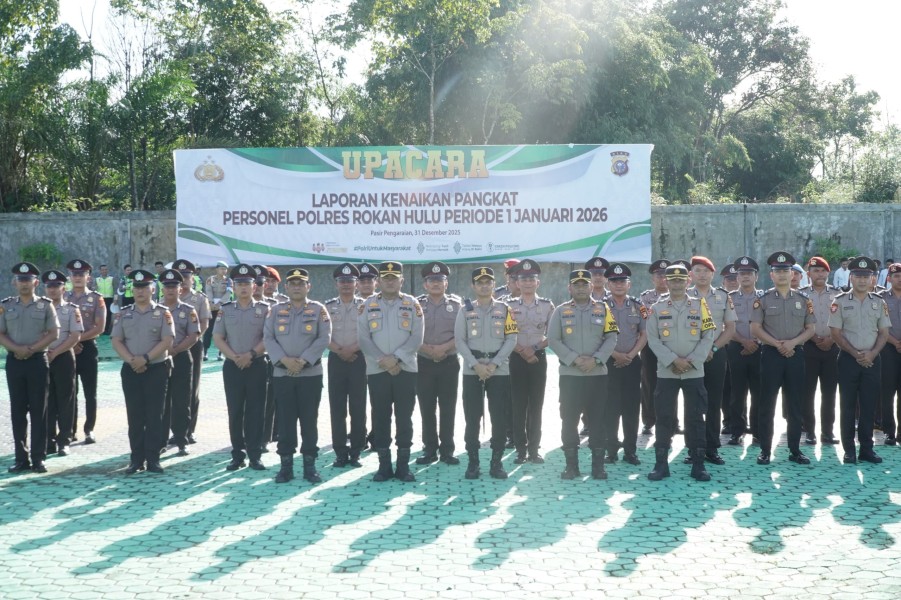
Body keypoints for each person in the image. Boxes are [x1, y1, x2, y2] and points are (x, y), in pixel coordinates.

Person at [645, 263, 716, 481]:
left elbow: (708, 334)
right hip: (667, 372)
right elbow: (653, 339)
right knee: (664, 417)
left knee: (695, 418)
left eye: (681, 279)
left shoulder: (700, 305)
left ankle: (698, 464)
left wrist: (692, 360)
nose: (676, 283)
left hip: (694, 372)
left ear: (688, 281)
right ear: (666, 281)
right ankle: (661, 464)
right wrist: (673, 360)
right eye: (672, 279)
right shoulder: (656, 308)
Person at [548, 269, 618, 479]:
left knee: (598, 419)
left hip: (597, 375)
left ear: (591, 287)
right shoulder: (560, 311)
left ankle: (598, 466)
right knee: (569, 420)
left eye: (584, 284)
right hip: (571, 376)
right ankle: (572, 466)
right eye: (576, 285)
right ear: (569, 288)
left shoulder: (603, 309)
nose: (580, 288)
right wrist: (575, 359)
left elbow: (611, 337)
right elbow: (553, 340)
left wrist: (595, 359)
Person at [357, 261, 424, 482]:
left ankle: (403, 466)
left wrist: (395, 359)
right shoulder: (367, 305)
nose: (389, 281)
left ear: (401, 280)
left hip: (406, 369)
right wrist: (382, 360)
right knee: (381, 417)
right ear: (379, 281)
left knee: (405, 418)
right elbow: (364, 338)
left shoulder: (412, 304)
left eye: (394, 277)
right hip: (377, 370)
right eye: (385, 277)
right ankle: (384, 466)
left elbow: (417, 337)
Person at [265, 268, 331, 483]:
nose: (296, 287)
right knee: (285, 421)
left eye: (300, 283)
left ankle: (309, 467)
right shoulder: (275, 310)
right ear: (286, 287)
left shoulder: (318, 309)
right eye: (292, 283)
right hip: (283, 374)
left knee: (309, 421)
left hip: (309, 374)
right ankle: (286, 467)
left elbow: (324, 338)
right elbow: (268, 337)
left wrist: (302, 361)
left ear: (308, 287)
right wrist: (285, 361)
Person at [750, 251, 816, 466]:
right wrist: (778, 344)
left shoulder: (804, 299)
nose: (782, 275)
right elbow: (755, 328)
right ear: (771, 275)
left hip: (795, 355)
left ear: (792, 274)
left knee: (795, 404)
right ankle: (766, 450)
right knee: (767, 403)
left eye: (786, 271)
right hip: (771, 355)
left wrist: (793, 343)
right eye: (778, 271)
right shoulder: (763, 300)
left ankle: (795, 450)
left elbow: (811, 328)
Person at [110, 269, 174, 474]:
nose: (140, 291)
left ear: (153, 289)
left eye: (144, 287)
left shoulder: (163, 312)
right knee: (135, 415)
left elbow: (167, 340)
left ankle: (153, 459)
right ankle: (136, 459)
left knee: (155, 415)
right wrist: (132, 360)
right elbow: (116, 340)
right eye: (136, 288)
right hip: (130, 370)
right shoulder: (123, 313)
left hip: (156, 369)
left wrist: (145, 358)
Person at [456, 267, 517, 479]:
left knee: (499, 418)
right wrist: (476, 365)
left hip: (498, 370)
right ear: (473, 286)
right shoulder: (464, 310)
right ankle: (473, 463)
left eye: (488, 282)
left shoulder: (505, 309)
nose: (484, 285)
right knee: (472, 418)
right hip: (472, 370)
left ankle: (496, 463)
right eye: (479, 282)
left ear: (493, 285)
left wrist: (494, 364)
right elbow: (460, 341)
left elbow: (511, 339)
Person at [829, 256, 890, 464]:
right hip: (848, 359)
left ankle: (867, 449)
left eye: (866, 276)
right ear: (851, 277)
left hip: (873, 359)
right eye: (858, 276)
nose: (862, 280)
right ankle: (849, 451)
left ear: (873, 278)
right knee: (846, 406)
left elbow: (883, 332)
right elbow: (835, 332)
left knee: (869, 405)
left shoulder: (879, 303)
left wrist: (872, 353)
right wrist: (855, 354)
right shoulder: (840, 302)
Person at [0, 263, 59, 474]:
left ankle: (38, 458)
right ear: (14, 282)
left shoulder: (45, 305)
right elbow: (1, 333)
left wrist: (31, 349)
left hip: (37, 361)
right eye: (20, 280)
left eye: (28, 280)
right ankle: (20, 458)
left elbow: (54, 333)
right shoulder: (6, 305)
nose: (24, 283)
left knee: (38, 411)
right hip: (15, 362)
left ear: (35, 283)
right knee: (17, 411)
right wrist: (17, 349)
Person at [213, 264, 270, 471]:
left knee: (256, 410)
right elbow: (217, 337)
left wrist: (251, 354)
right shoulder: (226, 310)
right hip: (233, 366)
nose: (243, 288)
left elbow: (268, 337)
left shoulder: (264, 309)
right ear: (234, 287)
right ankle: (237, 454)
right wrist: (235, 357)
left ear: (254, 287)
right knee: (235, 410)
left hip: (257, 365)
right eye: (239, 284)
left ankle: (255, 454)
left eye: (247, 284)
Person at [687, 256, 736, 466]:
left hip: (716, 355)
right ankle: (693, 448)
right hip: (690, 356)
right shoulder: (683, 295)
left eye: (706, 271)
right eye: (698, 270)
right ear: (691, 275)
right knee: (692, 403)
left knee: (714, 401)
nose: (702, 274)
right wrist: (698, 352)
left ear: (713, 274)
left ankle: (712, 447)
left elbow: (730, 328)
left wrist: (713, 348)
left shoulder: (723, 297)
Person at [415, 261, 462, 466]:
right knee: (426, 407)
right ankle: (429, 448)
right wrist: (427, 349)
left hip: (449, 362)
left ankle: (447, 450)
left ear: (446, 283)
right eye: (431, 280)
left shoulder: (458, 305)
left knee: (448, 407)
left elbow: (463, 334)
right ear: (425, 284)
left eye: (439, 280)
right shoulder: (416, 305)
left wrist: (443, 349)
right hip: (423, 362)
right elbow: (411, 333)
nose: (435, 284)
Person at [508, 259, 554, 464]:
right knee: (518, 405)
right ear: (517, 282)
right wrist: (521, 350)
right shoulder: (507, 306)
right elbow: (502, 333)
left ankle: (534, 449)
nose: (527, 283)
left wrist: (533, 349)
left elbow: (553, 335)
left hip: (538, 359)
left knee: (536, 405)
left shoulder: (547, 306)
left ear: (538, 282)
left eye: (531, 279)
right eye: (523, 279)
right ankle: (520, 450)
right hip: (515, 358)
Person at [602, 263, 646, 466]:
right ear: (607, 283)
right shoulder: (599, 305)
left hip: (632, 362)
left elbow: (645, 334)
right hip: (608, 363)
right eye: (614, 281)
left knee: (631, 408)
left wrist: (630, 355)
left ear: (629, 284)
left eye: (622, 281)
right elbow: (597, 337)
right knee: (610, 408)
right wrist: (615, 355)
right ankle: (611, 450)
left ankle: (630, 451)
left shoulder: (639, 306)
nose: (618, 284)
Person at [325, 263, 367, 467]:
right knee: (337, 407)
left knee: (358, 407)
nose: (346, 285)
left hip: (359, 359)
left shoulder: (366, 305)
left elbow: (369, 333)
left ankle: (356, 450)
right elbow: (323, 334)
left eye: (350, 281)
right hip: (336, 359)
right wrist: (340, 350)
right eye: (342, 281)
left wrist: (352, 349)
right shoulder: (328, 306)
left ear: (356, 284)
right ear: (336, 284)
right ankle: (340, 452)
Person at [157, 269, 200, 457]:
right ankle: (160, 440)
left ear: (180, 289)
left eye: (174, 286)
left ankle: (182, 439)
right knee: (160, 401)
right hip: (159, 359)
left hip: (181, 357)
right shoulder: (155, 309)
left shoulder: (188, 310)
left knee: (182, 401)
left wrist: (176, 349)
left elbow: (194, 335)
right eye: (167, 287)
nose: (170, 290)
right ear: (162, 289)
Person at [64, 259, 106, 445]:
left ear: (88, 277)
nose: (78, 278)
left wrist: (77, 340)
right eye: (75, 275)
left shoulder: (97, 298)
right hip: (66, 350)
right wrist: (70, 344)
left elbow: (100, 327)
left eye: (82, 275)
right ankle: (69, 431)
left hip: (88, 348)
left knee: (90, 392)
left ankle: (89, 429)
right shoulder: (63, 296)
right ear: (70, 277)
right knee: (69, 392)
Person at [799, 256, 840, 445]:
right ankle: (809, 431)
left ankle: (828, 432)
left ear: (828, 273)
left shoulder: (838, 294)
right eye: (816, 271)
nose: (820, 274)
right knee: (807, 392)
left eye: (823, 271)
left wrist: (832, 339)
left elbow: (844, 321)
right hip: (809, 347)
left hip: (832, 348)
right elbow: (798, 321)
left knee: (829, 392)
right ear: (808, 274)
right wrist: (814, 338)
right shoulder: (801, 294)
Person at [43, 270, 82, 457]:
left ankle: (64, 440)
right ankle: (48, 440)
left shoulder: (71, 309)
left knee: (66, 400)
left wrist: (56, 352)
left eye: (56, 286)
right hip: (42, 358)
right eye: (49, 286)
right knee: (46, 400)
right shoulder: (40, 308)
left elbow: (75, 336)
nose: (52, 290)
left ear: (63, 288)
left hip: (64, 357)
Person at [726, 256, 763, 446]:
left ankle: (757, 431)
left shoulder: (764, 297)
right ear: (737, 277)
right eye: (741, 273)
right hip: (736, 348)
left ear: (756, 276)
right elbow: (726, 326)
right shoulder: (729, 298)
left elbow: (768, 324)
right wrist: (744, 342)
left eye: (749, 273)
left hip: (760, 349)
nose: (745, 277)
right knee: (737, 392)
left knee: (759, 392)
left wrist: (755, 342)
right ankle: (737, 431)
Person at [176, 259, 211, 444]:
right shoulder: (167, 297)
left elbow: (204, 323)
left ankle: (190, 429)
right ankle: (176, 430)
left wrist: (192, 340)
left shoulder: (200, 298)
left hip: (193, 345)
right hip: (170, 347)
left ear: (192, 278)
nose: (183, 280)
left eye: (186, 277)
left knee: (192, 388)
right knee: (171, 389)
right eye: (179, 277)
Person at [639, 259, 670, 436]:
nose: (663, 279)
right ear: (653, 278)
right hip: (650, 345)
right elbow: (645, 319)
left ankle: (671, 421)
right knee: (649, 383)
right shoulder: (645, 298)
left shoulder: (680, 295)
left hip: (672, 345)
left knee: (671, 383)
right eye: (659, 275)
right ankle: (649, 421)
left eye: (666, 275)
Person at [879, 262, 901, 446]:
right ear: (889, 278)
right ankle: (889, 432)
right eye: (896, 276)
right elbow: (878, 326)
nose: (899, 279)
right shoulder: (880, 299)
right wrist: (894, 342)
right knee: (887, 392)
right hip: (886, 349)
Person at [204, 261, 233, 361]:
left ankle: (220, 353)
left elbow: (229, 293)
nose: (223, 271)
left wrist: (220, 304)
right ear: (217, 269)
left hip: (223, 306)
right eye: (221, 268)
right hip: (211, 307)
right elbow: (208, 291)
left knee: (223, 330)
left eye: (225, 269)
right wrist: (211, 302)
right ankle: (205, 352)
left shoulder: (229, 281)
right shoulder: (210, 279)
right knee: (209, 329)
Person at [93, 264, 116, 335]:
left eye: (106, 269)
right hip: (100, 299)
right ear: (100, 271)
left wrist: (115, 299)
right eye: (102, 270)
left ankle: (106, 330)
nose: (104, 271)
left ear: (107, 270)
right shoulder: (97, 279)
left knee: (108, 314)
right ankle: (100, 329)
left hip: (109, 298)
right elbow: (94, 290)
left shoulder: (111, 279)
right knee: (100, 314)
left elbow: (115, 289)